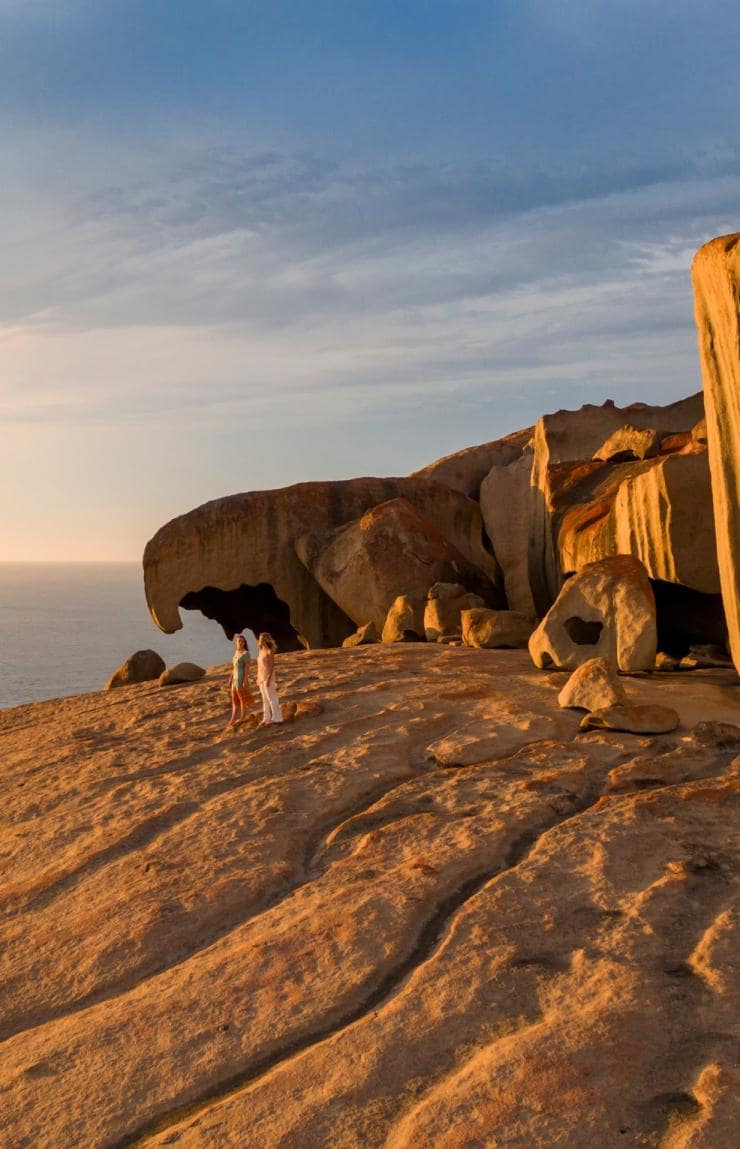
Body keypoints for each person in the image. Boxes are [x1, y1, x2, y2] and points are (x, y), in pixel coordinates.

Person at [256, 632, 283, 727]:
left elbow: (271, 667)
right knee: (265, 700)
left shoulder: (269, 651)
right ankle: (266, 718)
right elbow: (259, 666)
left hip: (268, 678)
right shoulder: (260, 651)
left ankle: (277, 718)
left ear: (266, 640)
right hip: (261, 678)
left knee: (272, 698)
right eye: (260, 639)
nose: (261, 641)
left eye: (263, 639)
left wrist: (268, 679)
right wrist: (258, 678)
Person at [228, 634, 253, 727]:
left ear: (244, 643)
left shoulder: (246, 653)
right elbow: (234, 667)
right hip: (234, 679)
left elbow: (247, 669)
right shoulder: (236, 652)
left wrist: (245, 681)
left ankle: (242, 717)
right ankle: (233, 719)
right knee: (234, 699)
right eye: (239, 641)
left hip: (241, 678)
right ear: (236, 642)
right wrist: (230, 678)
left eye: (242, 641)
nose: (241, 643)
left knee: (242, 699)